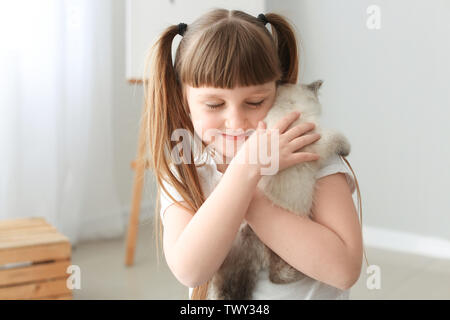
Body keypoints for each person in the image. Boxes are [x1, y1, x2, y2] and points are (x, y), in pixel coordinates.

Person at [143, 8, 366, 300]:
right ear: (184, 101)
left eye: (255, 101)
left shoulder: (310, 152)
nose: (236, 122)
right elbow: (190, 270)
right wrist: (245, 172)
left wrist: (252, 199)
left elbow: (344, 270)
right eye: (213, 104)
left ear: (277, 89)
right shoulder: (186, 167)